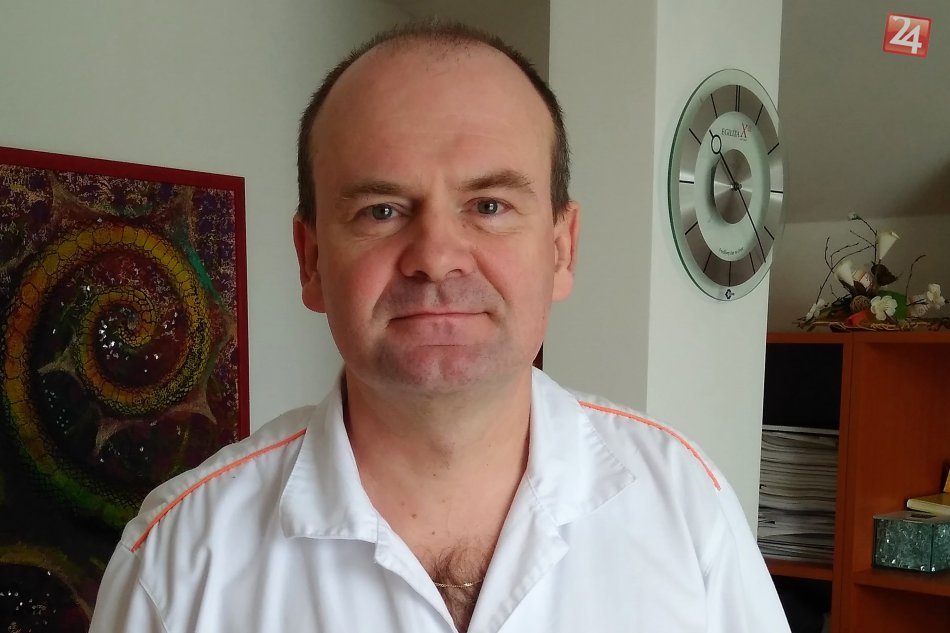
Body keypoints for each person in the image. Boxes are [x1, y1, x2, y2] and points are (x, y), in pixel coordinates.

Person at [89, 21, 791, 633]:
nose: (436, 257)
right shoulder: (178, 564)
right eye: (381, 211)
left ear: (561, 248)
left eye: (489, 206)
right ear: (311, 261)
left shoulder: (688, 510)